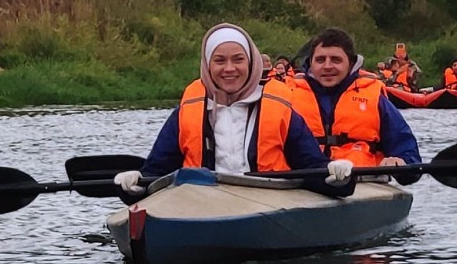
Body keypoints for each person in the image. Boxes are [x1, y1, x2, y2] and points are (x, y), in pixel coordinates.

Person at [122, 22, 344, 193]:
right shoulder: (185, 114)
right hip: (201, 203)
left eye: (238, 59)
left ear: (250, 63)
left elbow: (313, 168)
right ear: (208, 66)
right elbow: (156, 173)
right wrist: (135, 187)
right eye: (219, 61)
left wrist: (335, 178)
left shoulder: (281, 111)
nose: (229, 69)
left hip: (268, 200)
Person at [277, 26, 422, 169]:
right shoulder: (288, 95)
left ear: (351, 63)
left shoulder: (374, 98)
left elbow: (408, 153)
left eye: (336, 60)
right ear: (310, 63)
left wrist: (400, 162)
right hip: (304, 183)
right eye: (320, 60)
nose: (327, 66)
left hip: (362, 184)